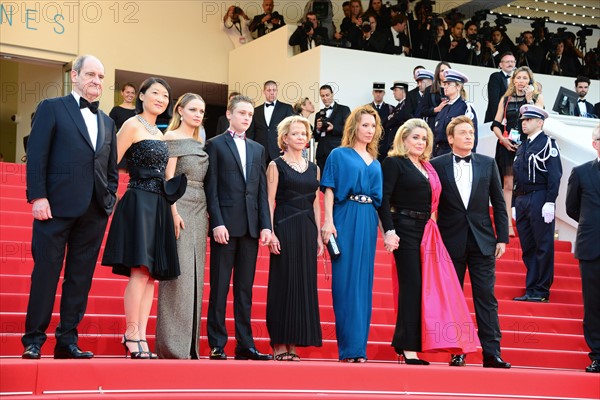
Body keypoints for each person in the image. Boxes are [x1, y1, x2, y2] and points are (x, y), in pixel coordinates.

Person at [21, 55, 118, 360]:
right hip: (55, 207)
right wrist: (38, 197)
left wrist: (109, 199)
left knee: (80, 278)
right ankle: (34, 340)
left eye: (101, 77)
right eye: (90, 74)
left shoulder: (107, 121)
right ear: (74, 75)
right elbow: (37, 156)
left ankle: (67, 340)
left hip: (94, 212)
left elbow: (110, 168)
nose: (97, 81)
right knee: (46, 273)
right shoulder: (52, 108)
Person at [378, 118, 478, 366]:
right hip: (404, 229)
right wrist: (389, 231)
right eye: (415, 138)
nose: (420, 142)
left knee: (426, 288)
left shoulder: (427, 167)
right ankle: (409, 349)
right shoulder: (394, 163)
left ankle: (411, 343)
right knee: (411, 287)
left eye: (424, 139)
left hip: (427, 231)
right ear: (403, 139)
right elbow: (383, 199)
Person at [101, 77, 180, 359]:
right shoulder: (132, 125)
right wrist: (109, 197)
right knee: (139, 271)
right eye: (155, 93)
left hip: (158, 204)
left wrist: (173, 210)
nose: (160, 99)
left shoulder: (160, 133)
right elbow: (110, 163)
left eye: (165, 96)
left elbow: (165, 175)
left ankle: (141, 335)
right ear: (142, 96)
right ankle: (131, 333)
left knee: (150, 276)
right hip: (138, 202)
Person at [431, 116, 511, 369]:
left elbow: (499, 203)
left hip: (482, 241)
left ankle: (492, 353)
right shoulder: (436, 164)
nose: (469, 136)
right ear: (451, 138)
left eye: (471, 133)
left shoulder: (488, 164)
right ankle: (458, 350)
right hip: (449, 242)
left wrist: (502, 238)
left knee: (486, 298)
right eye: (463, 133)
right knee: (453, 298)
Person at [205, 95, 273, 361]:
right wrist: (217, 221)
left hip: (251, 228)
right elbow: (212, 188)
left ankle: (245, 344)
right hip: (225, 226)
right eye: (241, 113)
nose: (246, 118)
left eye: (249, 114)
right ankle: (217, 343)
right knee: (220, 287)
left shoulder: (257, 149)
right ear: (230, 114)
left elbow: (260, 192)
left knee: (245, 289)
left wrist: (265, 225)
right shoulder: (215, 144)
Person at [320, 105, 383, 363]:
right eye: (365, 125)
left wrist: (386, 231)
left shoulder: (377, 161)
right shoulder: (339, 154)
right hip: (345, 217)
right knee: (345, 283)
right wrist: (328, 221)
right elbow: (329, 189)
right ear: (354, 126)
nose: (369, 130)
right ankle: (348, 349)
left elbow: (379, 201)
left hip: (368, 220)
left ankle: (360, 348)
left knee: (364, 284)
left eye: (373, 126)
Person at [155, 93, 209, 359]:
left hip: (202, 209)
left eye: (201, 110)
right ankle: (172, 346)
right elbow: (167, 178)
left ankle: (189, 346)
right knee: (180, 276)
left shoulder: (201, 141)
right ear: (180, 110)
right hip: (180, 205)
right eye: (193, 109)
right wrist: (173, 212)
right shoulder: (171, 138)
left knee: (196, 275)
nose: (198, 114)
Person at [266, 115, 324, 361]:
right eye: (296, 133)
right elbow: (269, 200)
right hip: (284, 224)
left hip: (307, 228)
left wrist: (320, 236)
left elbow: (316, 203)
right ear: (285, 138)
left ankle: (295, 342)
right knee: (284, 282)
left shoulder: (314, 168)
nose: (301, 137)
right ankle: (279, 342)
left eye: (304, 134)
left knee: (303, 283)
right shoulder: (275, 165)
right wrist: (270, 232)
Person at [513, 105, 562, 303]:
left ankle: (541, 290)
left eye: (529, 120)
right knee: (528, 247)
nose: (524, 123)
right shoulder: (523, 145)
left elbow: (555, 175)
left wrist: (550, 201)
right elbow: (517, 177)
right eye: (523, 120)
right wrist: (515, 202)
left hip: (540, 197)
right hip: (523, 198)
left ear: (540, 122)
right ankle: (531, 288)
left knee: (543, 245)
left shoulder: (548, 143)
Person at [491, 66, 544, 237]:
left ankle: (525, 224)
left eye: (525, 78)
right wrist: (503, 139)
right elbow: (496, 124)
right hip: (506, 145)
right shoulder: (505, 99)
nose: (521, 81)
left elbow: (537, 121)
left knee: (524, 185)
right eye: (518, 77)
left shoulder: (536, 98)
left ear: (530, 81)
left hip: (527, 147)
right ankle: (507, 226)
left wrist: (529, 100)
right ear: (513, 79)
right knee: (507, 185)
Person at [566, 125, 600, 373]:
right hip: (592, 248)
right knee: (593, 304)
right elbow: (571, 208)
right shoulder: (581, 172)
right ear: (595, 143)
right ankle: (598, 354)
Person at [433, 69, 478, 157]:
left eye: (449, 84)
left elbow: (472, 136)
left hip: (455, 154)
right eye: (444, 84)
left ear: (458, 87)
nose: (445, 87)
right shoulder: (443, 108)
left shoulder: (465, 107)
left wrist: (469, 157)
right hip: (438, 155)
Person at [247, 80, 294, 164]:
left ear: (277, 91)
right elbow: (251, 133)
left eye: (274, 90)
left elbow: (291, 129)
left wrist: (288, 146)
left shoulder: (286, 108)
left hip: (280, 151)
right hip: (260, 152)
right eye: (269, 90)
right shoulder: (256, 111)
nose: (272, 93)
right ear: (264, 92)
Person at [314, 84, 351, 172]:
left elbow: (349, 129)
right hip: (321, 153)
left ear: (332, 94)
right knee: (322, 180)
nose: (325, 98)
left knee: (337, 178)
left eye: (327, 95)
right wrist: (318, 129)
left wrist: (333, 128)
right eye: (322, 96)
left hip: (337, 150)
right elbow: (315, 136)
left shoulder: (344, 109)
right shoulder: (318, 114)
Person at [415, 61, 450, 132]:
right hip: (434, 126)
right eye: (442, 70)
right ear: (438, 73)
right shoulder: (429, 90)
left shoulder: (454, 89)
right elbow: (423, 110)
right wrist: (436, 109)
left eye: (447, 71)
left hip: (449, 126)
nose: (445, 73)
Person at [381, 81, 410, 162]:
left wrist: (390, 120)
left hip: (400, 142)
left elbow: (396, 119)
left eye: (395, 90)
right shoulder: (398, 106)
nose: (393, 93)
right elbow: (387, 121)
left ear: (402, 90)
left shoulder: (407, 104)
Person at [485, 52, 517, 123]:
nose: (510, 64)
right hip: (497, 119)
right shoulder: (496, 76)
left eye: (512, 62)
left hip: (512, 121)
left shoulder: (518, 80)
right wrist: (499, 120)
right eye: (507, 62)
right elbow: (494, 100)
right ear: (500, 65)